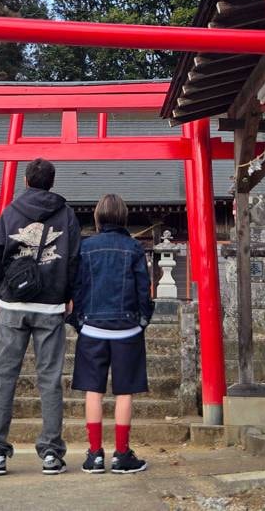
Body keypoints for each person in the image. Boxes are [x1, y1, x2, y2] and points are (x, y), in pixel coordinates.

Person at [0, 158, 81, 476]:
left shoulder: (10, 212)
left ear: (25, 181)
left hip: (14, 305)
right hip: (50, 306)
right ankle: (51, 453)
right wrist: (69, 296)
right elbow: (74, 260)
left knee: (4, 378)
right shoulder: (66, 215)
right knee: (50, 380)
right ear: (51, 183)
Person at [69, 193, 154, 474]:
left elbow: (77, 288)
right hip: (127, 329)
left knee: (93, 391)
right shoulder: (134, 248)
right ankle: (121, 454)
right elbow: (144, 290)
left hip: (92, 327)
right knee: (124, 392)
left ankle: (94, 454)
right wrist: (143, 321)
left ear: (98, 217)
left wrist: (78, 320)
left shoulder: (85, 247)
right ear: (123, 217)